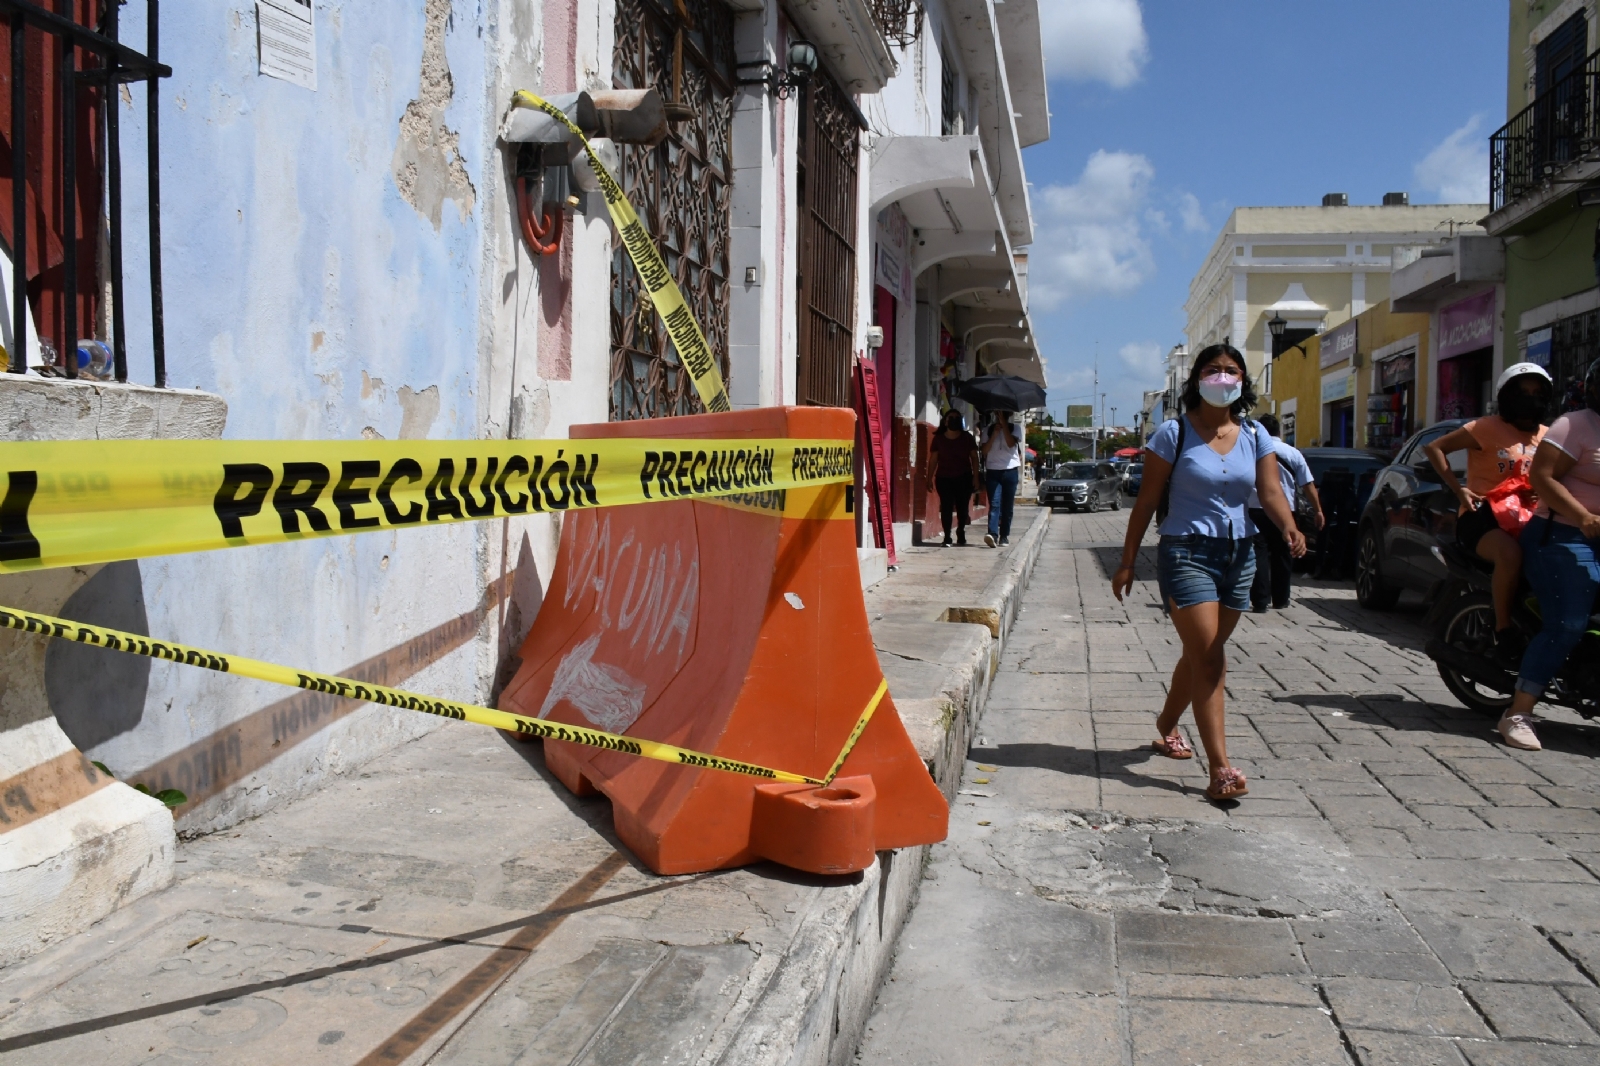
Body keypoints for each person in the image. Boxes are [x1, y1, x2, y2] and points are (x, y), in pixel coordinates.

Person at [1112, 344, 1306, 801]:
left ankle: (1166, 723)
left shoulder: (1256, 434)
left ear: (1243, 381)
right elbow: (1146, 501)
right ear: (1196, 378)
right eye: (1214, 370)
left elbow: (1271, 490)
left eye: (1232, 371)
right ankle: (1219, 768)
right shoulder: (1172, 434)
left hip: (1241, 555)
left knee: (1204, 651)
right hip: (1187, 553)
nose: (1223, 377)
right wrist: (1126, 563)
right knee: (1212, 660)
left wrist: (1289, 525)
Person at [1423, 363, 1552, 666]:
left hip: (1528, 519)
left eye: (1537, 392)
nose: (1530, 399)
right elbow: (1435, 448)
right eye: (1522, 392)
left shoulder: (1549, 435)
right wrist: (1460, 490)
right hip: (1483, 517)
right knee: (1509, 556)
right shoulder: (1484, 428)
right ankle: (1503, 630)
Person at [1504, 360, 1600, 751]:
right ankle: (1517, 712)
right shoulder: (1575, 425)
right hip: (1561, 534)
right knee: (1568, 623)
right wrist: (1583, 517)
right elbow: (1541, 477)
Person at [1248, 412, 1320, 611]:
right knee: (1283, 555)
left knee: (1258, 554)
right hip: (1285, 511)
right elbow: (1307, 484)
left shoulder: (1251, 450)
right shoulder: (1292, 452)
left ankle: (1260, 601)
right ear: (1278, 431)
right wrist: (1318, 510)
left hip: (1255, 508)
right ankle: (1281, 599)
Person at [926, 410, 982, 546]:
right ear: (945, 421)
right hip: (944, 478)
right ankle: (947, 536)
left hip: (964, 477)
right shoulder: (938, 439)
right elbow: (933, 460)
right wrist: (929, 478)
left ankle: (961, 530)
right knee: (946, 506)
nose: (954, 420)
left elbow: (974, 457)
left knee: (962, 508)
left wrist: (976, 477)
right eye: (951, 417)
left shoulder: (967, 438)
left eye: (957, 417)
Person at [982, 413, 1022, 547]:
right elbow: (985, 451)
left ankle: (1004, 535)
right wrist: (994, 434)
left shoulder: (1015, 428)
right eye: (998, 414)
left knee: (1007, 506)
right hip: (993, 470)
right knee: (994, 503)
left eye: (1003, 413)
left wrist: (1004, 425)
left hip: (1010, 470)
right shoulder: (988, 429)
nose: (1000, 416)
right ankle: (992, 534)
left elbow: (1011, 444)